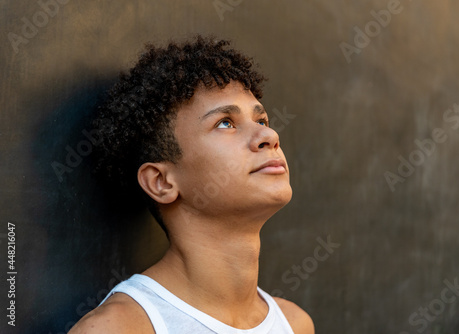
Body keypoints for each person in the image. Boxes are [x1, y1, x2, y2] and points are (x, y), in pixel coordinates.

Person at [69, 35, 314, 334]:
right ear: (161, 182)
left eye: (261, 120)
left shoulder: (295, 324)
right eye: (225, 122)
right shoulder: (120, 327)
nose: (270, 135)